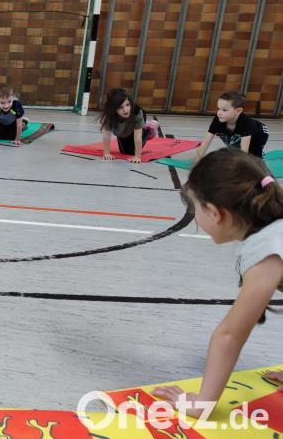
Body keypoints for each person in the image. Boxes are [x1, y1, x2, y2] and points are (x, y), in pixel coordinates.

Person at [151, 148, 283, 418]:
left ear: (214, 212)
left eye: (195, 208)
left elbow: (230, 336)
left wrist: (201, 404)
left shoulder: (266, 248)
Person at [196, 91, 268, 160]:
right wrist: (197, 160)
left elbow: (244, 151)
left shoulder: (246, 124)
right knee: (233, 144)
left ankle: (259, 154)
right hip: (235, 133)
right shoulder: (218, 119)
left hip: (260, 134)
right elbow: (205, 143)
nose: (219, 113)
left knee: (253, 159)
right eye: (218, 109)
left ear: (238, 111)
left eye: (224, 110)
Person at [98, 88, 160, 163]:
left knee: (132, 152)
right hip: (123, 126)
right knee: (125, 152)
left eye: (127, 105)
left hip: (134, 120)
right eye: (120, 107)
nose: (126, 110)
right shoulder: (108, 117)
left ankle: (149, 128)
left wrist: (137, 156)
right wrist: (106, 153)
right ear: (113, 109)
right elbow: (106, 136)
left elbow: (137, 137)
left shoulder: (136, 113)